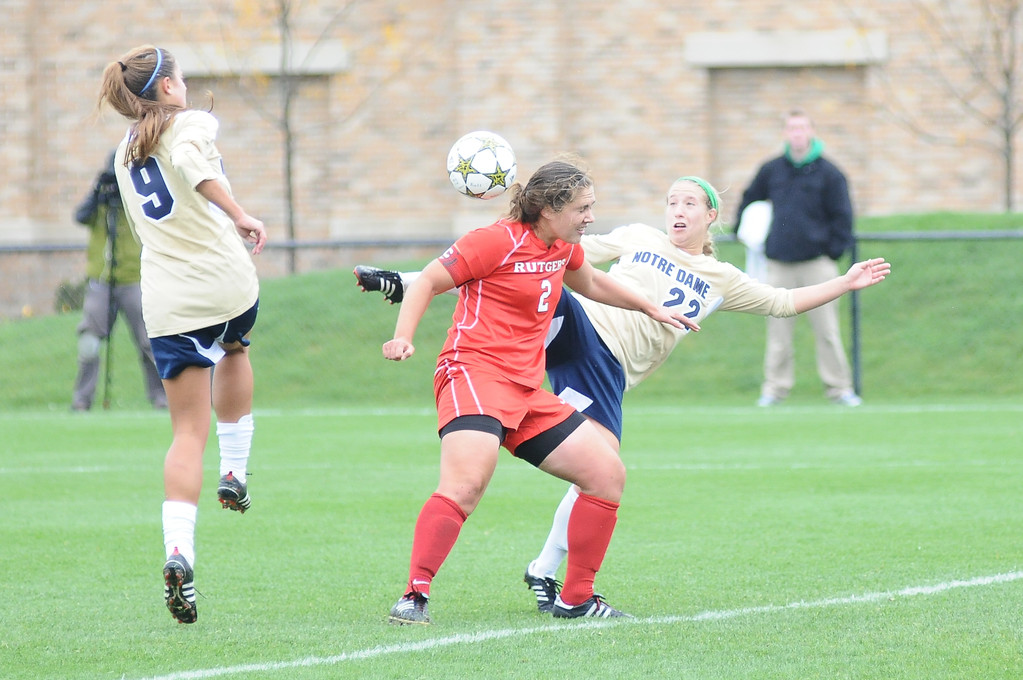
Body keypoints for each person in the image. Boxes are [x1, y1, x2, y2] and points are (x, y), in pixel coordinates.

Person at [357, 175, 890, 614]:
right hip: (582, 331)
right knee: (545, 276)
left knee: (604, 471)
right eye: (671, 200)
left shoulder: (722, 278)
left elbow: (783, 300)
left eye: (690, 202)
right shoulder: (638, 237)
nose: (677, 209)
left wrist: (845, 282)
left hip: (609, 373)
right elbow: (564, 256)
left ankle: (550, 573)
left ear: (710, 217)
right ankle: (410, 281)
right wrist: (421, 294)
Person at [381, 159, 700, 625]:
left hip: (526, 388)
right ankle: (414, 595)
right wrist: (403, 335)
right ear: (549, 208)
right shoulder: (494, 240)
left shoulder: (560, 246)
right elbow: (429, 280)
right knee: (467, 484)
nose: (590, 217)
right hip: (474, 372)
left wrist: (652, 308)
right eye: (582, 208)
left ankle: (576, 599)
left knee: (607, 474)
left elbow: (590, 282)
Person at [99, 45, 268, 625]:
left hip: (169, 301)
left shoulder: (125, 150)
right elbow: (199, 169)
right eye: (183, 78)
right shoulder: (191, 122)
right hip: (224, 284)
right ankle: (237, 470)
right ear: (168, 88)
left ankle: (179, 550)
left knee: (184, 433)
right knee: (236, 346)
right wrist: (240, 213)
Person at [735, 108, 861, 407]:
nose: (797, 133)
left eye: (802, 127)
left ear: (811, 131)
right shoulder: (772, 170)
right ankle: (774, 390)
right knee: (778, 335)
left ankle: (839, 389)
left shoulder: (830, 173)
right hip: (778, 265)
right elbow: (749, 199)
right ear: (785, 133)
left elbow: (843, 217)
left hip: (818, 265)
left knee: (827, 331)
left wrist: (832, 251)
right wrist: (744, 229)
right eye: (792, 128)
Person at [71, 151, 166, 411]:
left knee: (150, 341)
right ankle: (82, 399)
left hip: (135, 278)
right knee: (89, 341)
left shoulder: (140, 197)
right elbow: (80, 217)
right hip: (101, 280)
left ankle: (161, 397)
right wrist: (97, 190)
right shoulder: (100, 201)